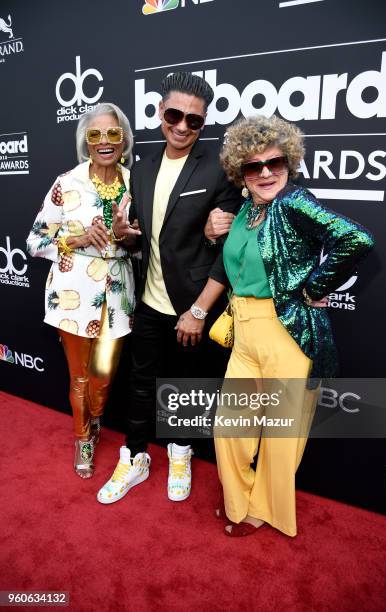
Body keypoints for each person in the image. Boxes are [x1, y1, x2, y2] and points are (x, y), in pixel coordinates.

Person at [205, 115, 374, 537]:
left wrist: (315, 285)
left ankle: (262, 510)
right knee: (232, 427)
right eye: (253, 166)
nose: (265, 173)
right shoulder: (246, 209)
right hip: (244, 333)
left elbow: (356, 239)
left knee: (281, 436)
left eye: (275, 163)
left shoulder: (295, 202)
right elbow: (240, 263)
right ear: (239, 172)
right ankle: (237, 497)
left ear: (289, 162)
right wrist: (213, 234)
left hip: (287, 333)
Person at [97, 72, 240, 504]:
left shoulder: (218, 169)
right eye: (174, 115)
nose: (181, 126)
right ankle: (136, 456)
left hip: (192, 305)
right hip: (148, 301)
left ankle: (181, 453)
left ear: (204, 122)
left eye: (193, 120)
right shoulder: (142, 168)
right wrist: (124, 234)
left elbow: (228, 252)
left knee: (187, 385)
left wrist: (198, 311)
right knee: (141, 384)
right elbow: (143, 237)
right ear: (160, 112)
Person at [26, 103, 136, 478]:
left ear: (123, 140)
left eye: (112, 134)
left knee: (103, 377)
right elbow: (34, 241)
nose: (104, 142)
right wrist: (75, 239)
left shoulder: (135, 183)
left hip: (118, 299)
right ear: (85, 143)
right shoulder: (66, 183)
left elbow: (146, 241)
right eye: (95, 135)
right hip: (72, 298)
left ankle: (97, 418)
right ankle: (82, 436)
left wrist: (128, 237)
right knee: (80, 377)